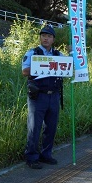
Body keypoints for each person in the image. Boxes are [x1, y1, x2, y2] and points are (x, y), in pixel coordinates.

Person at [22, 26, 64, 169]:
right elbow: (25, 71)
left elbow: (69, 68)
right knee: (34, 127)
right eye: (43, 35)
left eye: (49, 36)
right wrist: (43, 64)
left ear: (53, 39)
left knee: (51, 127)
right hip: (37, 96)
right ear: (40, 37)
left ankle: (46, 155)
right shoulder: (33, 53)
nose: (46, 38)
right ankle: (31, 157)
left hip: (54, 95)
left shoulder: (59, 55)